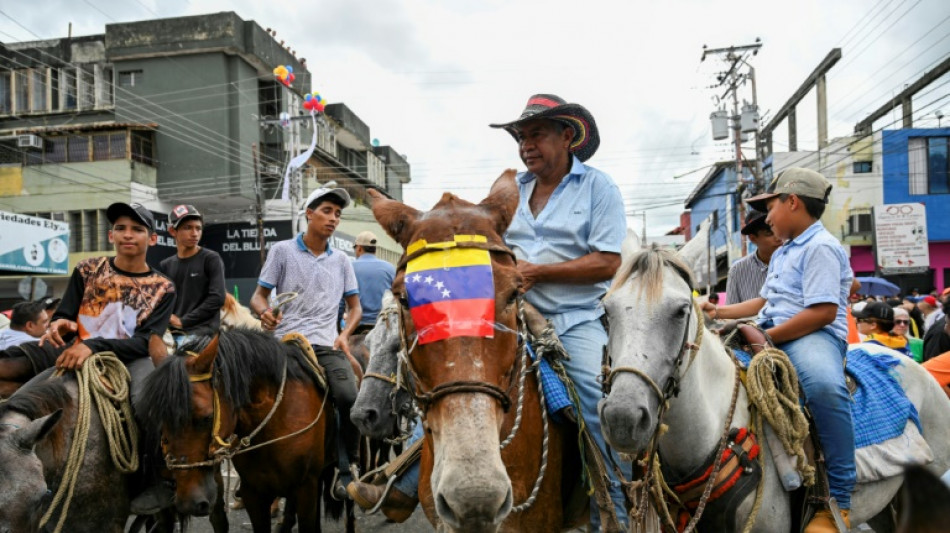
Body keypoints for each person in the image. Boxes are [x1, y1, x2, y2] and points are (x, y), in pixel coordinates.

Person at [350, 94, 630, 530]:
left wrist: (538, 272)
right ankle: (403, 475)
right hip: (504, 313)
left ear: (567, 136)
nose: (526, 145)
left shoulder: (598, 188)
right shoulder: (513, 191)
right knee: (454, 377)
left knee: (597, 404)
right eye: (521, 137)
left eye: (536, 135)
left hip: (574, 320)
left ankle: (614, 509)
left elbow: (608, 261)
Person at [701, 167, 855, 533]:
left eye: (768, 208)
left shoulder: (821, 247)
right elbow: (764, 301)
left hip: (811, 335)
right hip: (772, 330)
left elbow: (822, 312)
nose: (766, 218)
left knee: (823, 389)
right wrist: (718, 312)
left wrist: (769, 337)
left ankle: (839, 501)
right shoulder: (786, 251)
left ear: (793, 201)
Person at [36, 201, 176, 513]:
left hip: (131, 360)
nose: (128, 235)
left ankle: (160, 480)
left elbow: (145, 341)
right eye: (121, 228)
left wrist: (94, 345)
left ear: (151, 239)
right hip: (79, 356)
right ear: (111, 235)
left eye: (137, 229)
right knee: (23, 400)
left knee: (148, 404)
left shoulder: (163, 287)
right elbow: (66, 313)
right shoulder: (86, 270)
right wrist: (61, 322)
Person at [250, 186, 363, 498]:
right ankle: (247, 467)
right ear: (309, 213)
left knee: (349, 397)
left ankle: (346, 465)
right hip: (283, 343)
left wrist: (344, 335)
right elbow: (259, 296)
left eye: (338, 214)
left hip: (326, 345)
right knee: (244, 392)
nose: (333, 218)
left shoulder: (341, 260)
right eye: (326, 210)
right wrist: (265, 313)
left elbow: (355, 308)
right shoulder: (282, 250)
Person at [158, 204, 226, 346]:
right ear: (172, 231)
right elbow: (163, 302)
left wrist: (184, 321)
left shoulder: (211, 258)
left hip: (204, 335)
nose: (194, 233)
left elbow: (217, 298)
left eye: (198, 228)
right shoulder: (166, 265)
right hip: (173, 336)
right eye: (187, 227)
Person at [726, 209, 783, 305]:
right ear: (753, 238)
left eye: (779, 229)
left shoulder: (796, 261)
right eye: (769, 233)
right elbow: (730, 316)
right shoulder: (737, 271)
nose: (778, 237)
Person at [350, 230, 395, 335]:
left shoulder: (350, 267)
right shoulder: (390, 268)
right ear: (374, 249)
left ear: (359, 248)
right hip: (384, 326)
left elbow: (341, 303)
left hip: (356, 327)